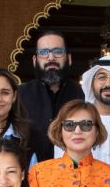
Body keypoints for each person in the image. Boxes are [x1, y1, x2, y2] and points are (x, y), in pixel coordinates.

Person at [18, 29, 85, 162]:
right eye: (43, 52)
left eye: (58, 52)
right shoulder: (19, 95)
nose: (51, 58)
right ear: (34, 60)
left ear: (69, 58)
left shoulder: (83, 94)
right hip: (30, 175)